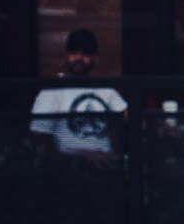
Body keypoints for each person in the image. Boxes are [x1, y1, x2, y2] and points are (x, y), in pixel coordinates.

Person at [29, 28, 126, 166]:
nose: (79, 58)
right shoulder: (52, 90)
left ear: (95, 58)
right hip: (69, 171)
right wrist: (81, 158)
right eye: (74, 52)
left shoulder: (106, 90)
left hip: (106, 168)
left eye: (85, 53)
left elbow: (130, 117)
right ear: (66, 56)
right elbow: (39, 139)